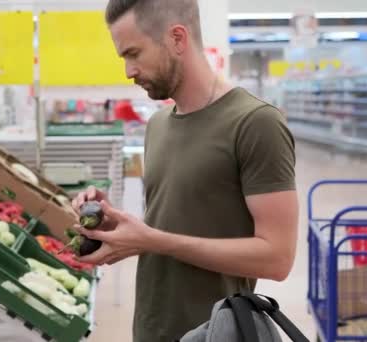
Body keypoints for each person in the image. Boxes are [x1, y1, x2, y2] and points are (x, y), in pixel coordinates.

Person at [72, 1, 299, 341]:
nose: (128, 71)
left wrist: (154, 240)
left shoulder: (255, 123)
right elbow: (176, 226)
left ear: (177, 38)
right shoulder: (158, 124)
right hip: (152, 328)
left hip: (216, 332)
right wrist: (123, 228)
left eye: (134, 54)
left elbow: (277, 258)